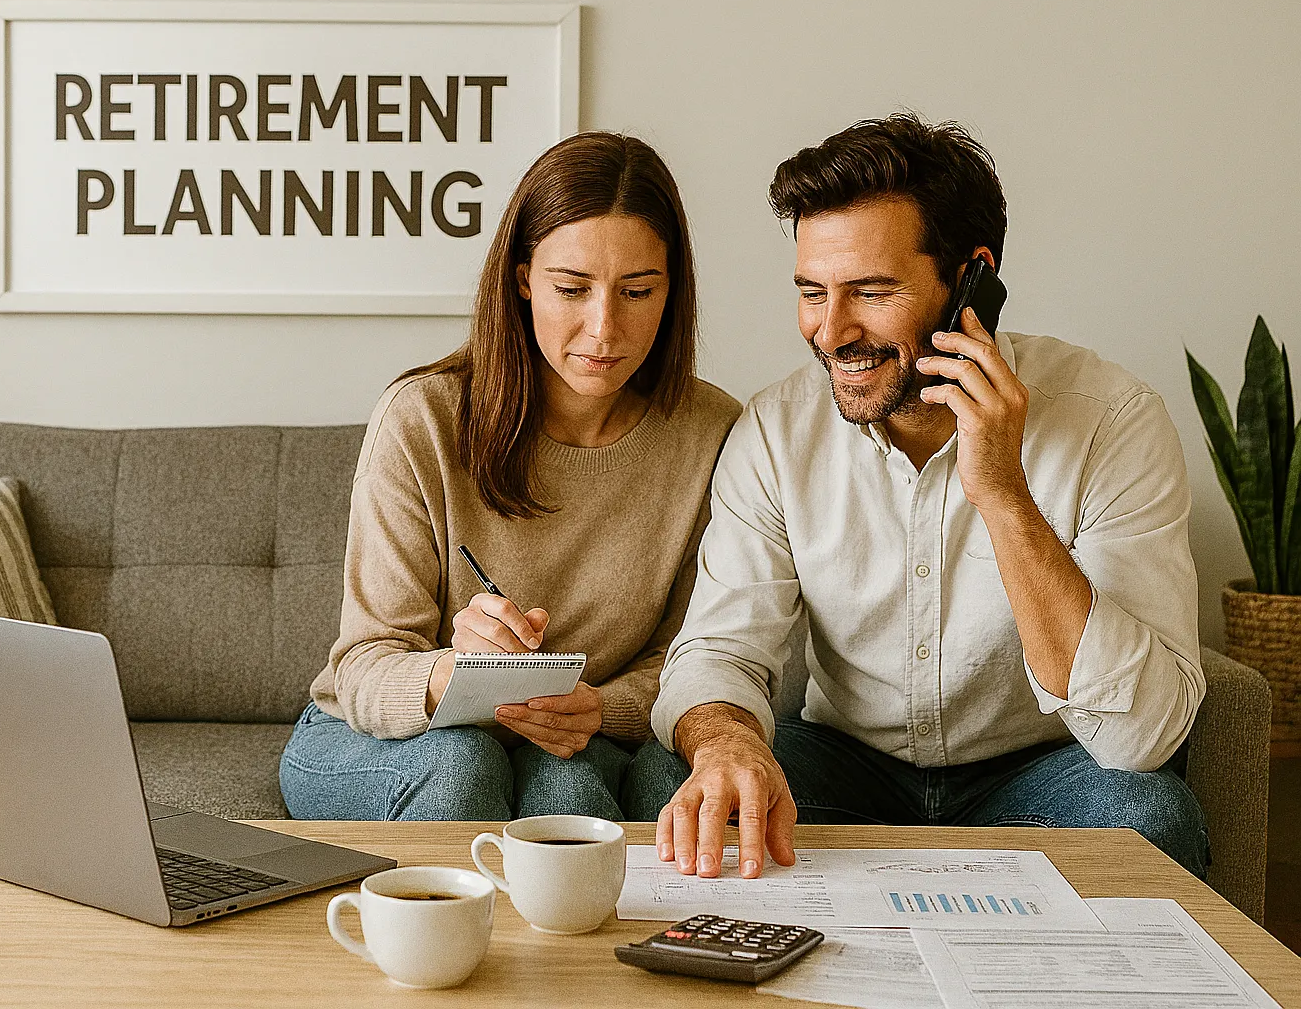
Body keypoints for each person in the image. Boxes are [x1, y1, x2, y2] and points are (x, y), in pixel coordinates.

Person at [628, 114, 1209, 880]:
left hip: (1037, 772)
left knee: (1150, 819)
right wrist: (728, 743)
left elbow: (1143, 736)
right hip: (843, 767)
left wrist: (1002, 494)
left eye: (871, 291)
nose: (831, 331)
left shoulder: (1111, 421)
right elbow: (721, 647)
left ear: (973, 278)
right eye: (811, 292)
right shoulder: (776, 429)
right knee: (672, 781)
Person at [280, 132, 742, 822]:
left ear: (672, 288)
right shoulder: (424, 418)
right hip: (380, 736)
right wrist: (454, 675)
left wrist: (600, 707)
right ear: (523, 279)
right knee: (466, 764)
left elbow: (694, 658)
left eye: (638, 291)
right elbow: (364, 671)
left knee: (572, 788)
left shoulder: (710, 431)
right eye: (571, 289)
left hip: (570, 742)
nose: (604, 328)